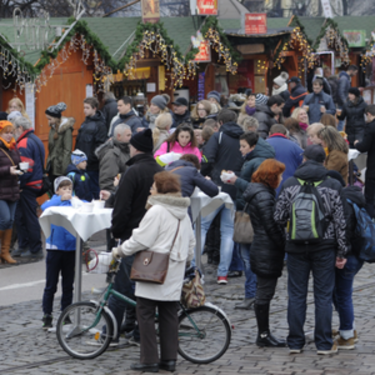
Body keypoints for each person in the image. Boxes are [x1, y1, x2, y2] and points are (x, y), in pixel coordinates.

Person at [112, 171, 195, 373]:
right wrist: (185, 261)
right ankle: (169, 360)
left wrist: (120, 251)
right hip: (174, 268)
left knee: (145, 313)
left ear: (160, 190)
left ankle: (149, 359)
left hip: (153, 268)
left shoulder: (157, 210)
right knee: (169, 314)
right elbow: (191, 243)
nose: (150, 189)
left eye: (153, 186)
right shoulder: (182, 213)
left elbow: (141, 239)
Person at [274, 144, 348, 355]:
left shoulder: (289, 183)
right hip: (324, 247)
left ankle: (295, 342)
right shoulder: (332, 185)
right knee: (323, 296)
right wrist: (342, 251)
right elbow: (341, 222)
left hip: (296, 248)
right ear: (324, 162)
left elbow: (278, 217)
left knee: (296, 295)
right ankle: (324, 344)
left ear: (304, 160)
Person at [100, 129, 163, 346]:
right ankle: (137, 333)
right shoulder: (158, 170)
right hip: (155, 238)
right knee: (144, 289)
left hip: (132, 237)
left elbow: (122, 207)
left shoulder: (133, 172)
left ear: (135, 148)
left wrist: (116, 233)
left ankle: (110, 334)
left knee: (120, 288)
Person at [226, 132, 275, 309]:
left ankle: (252, 295)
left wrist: (236, 180)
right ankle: (253, 294)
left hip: (250, 213)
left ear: (253, 147)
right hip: (251, 211)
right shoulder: (256, 159)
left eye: (243, 146)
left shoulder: (258, 161)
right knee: (248, 255)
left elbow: (256, 189)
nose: (240, 150)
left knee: (249, 257)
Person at [242, 159, 286, 347]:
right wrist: (285, 244)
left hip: (263, 246)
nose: (282, 178)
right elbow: (272, 227)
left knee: (264, 292)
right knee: (264, 293)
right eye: (279, 174)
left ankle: (264, 333)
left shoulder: (261, 193)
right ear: (271, 176)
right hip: (266, 249)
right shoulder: (264, 196)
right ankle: (263, 335)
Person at [200, 109, 244, 284]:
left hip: (218, 189)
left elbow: (207, 159)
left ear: (220, 123)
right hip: (235, 187)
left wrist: (203, 174)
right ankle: (223, 274)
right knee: (228, 231)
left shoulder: (217, 137)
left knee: (202, 225)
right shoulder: (244, 137)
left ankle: (196, 272)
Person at [41, 177, 77, 329]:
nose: (67, 192)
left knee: (68, 285)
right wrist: (61, 198)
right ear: (57, 191)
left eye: (69, 189)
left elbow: (86, 207)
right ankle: (47, 314)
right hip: (54, 249)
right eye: (64, 189)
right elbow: (44, 206)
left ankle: (66, 313)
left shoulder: (73, 203)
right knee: (51, 284)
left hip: (70, 248)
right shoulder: (54, 202)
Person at [333, 184, 365, 349]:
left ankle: (347, 335)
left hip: (347, 255)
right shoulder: (359, 200)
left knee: (342, 295)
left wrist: (341, 255)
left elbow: (343, 232)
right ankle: (349, 329)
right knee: (338, 293)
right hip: (358, 256)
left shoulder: (344, 202)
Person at [12, 117, 44, 259]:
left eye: (14, 130)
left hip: (28, 185)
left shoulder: (23, 143)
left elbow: (25, 169)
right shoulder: (35, 139)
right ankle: (25, 246)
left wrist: (19, 184)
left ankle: (35, 249)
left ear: (20, 128)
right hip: (36, 182)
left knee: (28, 217)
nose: (13, 133)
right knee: (24, 216)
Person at [75, 97, 107, 199]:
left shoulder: (100, 125)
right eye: (84, 107)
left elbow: (100, 146)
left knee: (94, 189)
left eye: (87, 108)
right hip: (82, 163)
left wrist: (90, 160)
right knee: (84, 190)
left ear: (94, 108)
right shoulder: (85, 123)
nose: (84, 110)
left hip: (92, 165)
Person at [0, 120, 21, 264]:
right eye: (5, 133)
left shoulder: (13, 147)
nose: (9, 135)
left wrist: (22, 168)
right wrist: (8, 170)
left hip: (13, 189)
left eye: (10, 132)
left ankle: (5, 253)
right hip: (1, 190)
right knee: (5, 219)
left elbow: (17, 163)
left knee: (11, 221)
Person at [267, 124, 303, 195]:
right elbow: (304, 163)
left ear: (269, 133)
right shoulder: (295, 146)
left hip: (267, 186)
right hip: (290, 187)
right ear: (286, 134)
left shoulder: (263, 145)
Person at [96, 123, 131, 192]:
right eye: (128, 135)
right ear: (119, 136)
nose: (131, 137)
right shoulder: (112, 155)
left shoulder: (127, 150)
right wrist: (113, 197)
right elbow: (107, 183)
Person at [45, 102, 75, 184]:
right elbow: (51, 149)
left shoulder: (66, 130)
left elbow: (67, 150)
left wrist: (64, 170)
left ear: (56, 118)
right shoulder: (52, 128)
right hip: (52, 166)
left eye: (50, 119)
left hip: (61, 167)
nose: (48, 121)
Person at [354, 104, 375, 217]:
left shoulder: (371, 127)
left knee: (370, 198)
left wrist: (357, 144)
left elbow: (364, 147)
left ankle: (370, 226)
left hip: (373, 167)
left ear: (369, 114)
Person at [337, 65, 359, 131]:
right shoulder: (344, 78)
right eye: (355, 73)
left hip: (343, 103)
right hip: (343, 104)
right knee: (342, 121)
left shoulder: (345, 78)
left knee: (342, 121)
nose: (355, 74)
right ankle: (339, 134)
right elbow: (341, 92)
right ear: (351, 70)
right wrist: (346, 102)